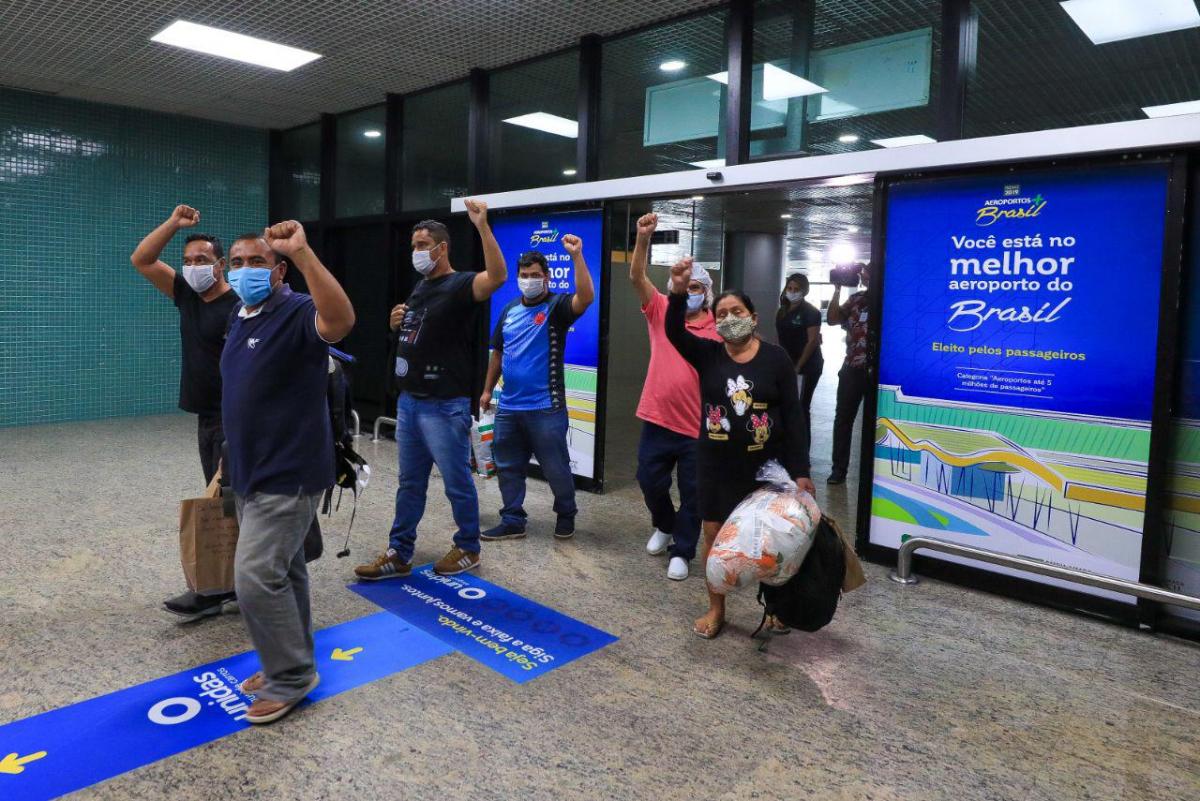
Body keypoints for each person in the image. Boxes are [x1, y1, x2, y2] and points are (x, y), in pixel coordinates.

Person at [220, 221, 355, 724]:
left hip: (289, 470)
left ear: (278, 272)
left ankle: (291, 677)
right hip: (250, 467)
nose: (246, 270)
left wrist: (302, 253)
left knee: (255, 578)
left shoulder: (296, 310)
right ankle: (291, 660)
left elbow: (339, 320)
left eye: (257, 262)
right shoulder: (241, 313)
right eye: (237, 262)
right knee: (287, 571)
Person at [664, 257, 815, 639]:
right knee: (714, 537)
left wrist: (801, 471)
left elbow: (795, 419)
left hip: (767, 468)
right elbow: (673, 332)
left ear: (754, 317)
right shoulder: (708, 354)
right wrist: (679, 291)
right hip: (716, 465)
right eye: (723, 313)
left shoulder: (776, 359)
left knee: (773, 541)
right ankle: (716, 609)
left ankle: (777, 608)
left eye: (738, 311)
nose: (730, 318)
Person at [355, 199, 507, 580]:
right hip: (410, 403)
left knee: (456, 482)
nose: (416, 252)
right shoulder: (421, 287)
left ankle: (468, 547)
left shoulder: (459, 285)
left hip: (444, 405)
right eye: (414, 246)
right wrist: (395, 325)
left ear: (442, 249)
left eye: (422, 245)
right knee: (410, 483)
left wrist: (482, 226)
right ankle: (399, 551)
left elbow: (498, 277)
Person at [130, 204, 239, 622]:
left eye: (202, 260)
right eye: (188, 260)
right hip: (206, 416)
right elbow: (142, 259)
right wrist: (175, 225)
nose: (193, 267)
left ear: (221, 264)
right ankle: (225, 583)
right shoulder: (188, 297)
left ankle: (225, 587)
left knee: (232, 502)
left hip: (233, 417)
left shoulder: (238, 306)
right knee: (221, 503)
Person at [480, 237, 595, 541]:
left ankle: (566, 513)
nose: (529, 281)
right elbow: (498, 353)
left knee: (556, 468)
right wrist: (487, 391)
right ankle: (513, 519)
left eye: (535, 275)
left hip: (546, 408)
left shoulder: (557, 307)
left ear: (546, 277)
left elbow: (585, 297)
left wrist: (577, 257)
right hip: (509, 408)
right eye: (524, 275)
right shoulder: (508, 311)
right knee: (508, 467)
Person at [628, 212, 721, 582]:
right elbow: (636, 276)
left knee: (694, 492)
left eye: (698, 287)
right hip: (657, 416)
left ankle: (683, 549)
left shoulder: (719, 326)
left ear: (708, 292)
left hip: (698, 425)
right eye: (686, 286)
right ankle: (664, 525)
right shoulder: (663, 310)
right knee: (649, 481)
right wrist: (642, 238)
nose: (691, 291)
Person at [825, 262, 871, 485]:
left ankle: (873, 471)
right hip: (852, 369)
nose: (862, 276)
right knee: (843, 419)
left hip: (877, 373)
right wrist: (837, 288)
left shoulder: (889, 300)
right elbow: (832, 319)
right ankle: (838, 469)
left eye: (866, 273)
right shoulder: (856, 300)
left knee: (875, 422)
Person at [775, 272, 824, 444]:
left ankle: (803, 450)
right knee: (786, 405)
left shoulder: (811, 312)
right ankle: (788, 445)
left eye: (796, 289)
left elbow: (812, 342)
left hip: (808, 366)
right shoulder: (782, 311)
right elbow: (781, 339)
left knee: (801, 407)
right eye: (789, 288)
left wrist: (797, 367)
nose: (792, 292)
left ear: (804, 291)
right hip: (789, 364)